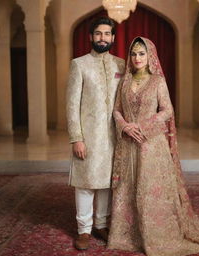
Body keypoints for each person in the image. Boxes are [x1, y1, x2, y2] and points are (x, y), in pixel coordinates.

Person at [107, 37, 199, 256]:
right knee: (128, 188)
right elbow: (117, 109)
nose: (137, 58)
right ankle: (127, 235)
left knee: (148, 190)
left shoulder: (157, 81)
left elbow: (167, 111)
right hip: (128, 144)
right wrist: (125, 126)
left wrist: (143, 125)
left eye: (142, 54)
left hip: (151, 145)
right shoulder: (125, 81)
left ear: (150, 57)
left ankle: (156, 235)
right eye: (134, 54)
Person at [66, 17, 125, 250]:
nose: (103, 38)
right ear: (91, 37)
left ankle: (100, 224)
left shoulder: (121, 65)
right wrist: (76, 137)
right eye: (98, 34)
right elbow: (71, 104)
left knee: (106, 182)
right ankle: (83, 230)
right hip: (88, 136)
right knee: (86, 182)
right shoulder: (79, 64)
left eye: (107, 34)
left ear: (113, 38)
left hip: (114, 136)